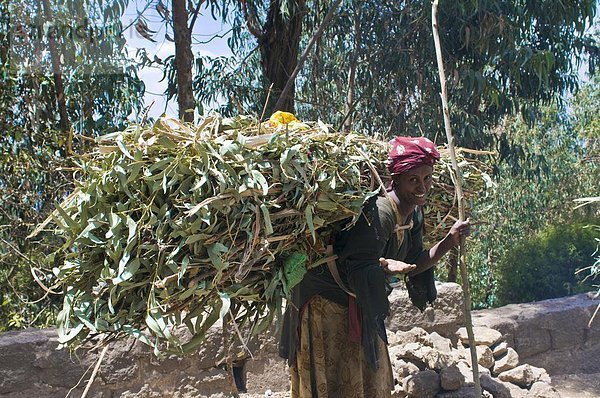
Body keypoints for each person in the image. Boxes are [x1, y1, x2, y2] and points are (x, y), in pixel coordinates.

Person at [279, 136, 471, 398]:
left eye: (427, 178)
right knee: (332, 379)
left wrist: (449, 241)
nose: (422, 187)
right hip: (326, 303)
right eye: (413, 179)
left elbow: (414, 263)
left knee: (364, 378)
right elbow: (356, 266)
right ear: (397, 178)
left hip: (358, 300)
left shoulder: (413, 213)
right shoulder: (381, 212)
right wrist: (382, 268)